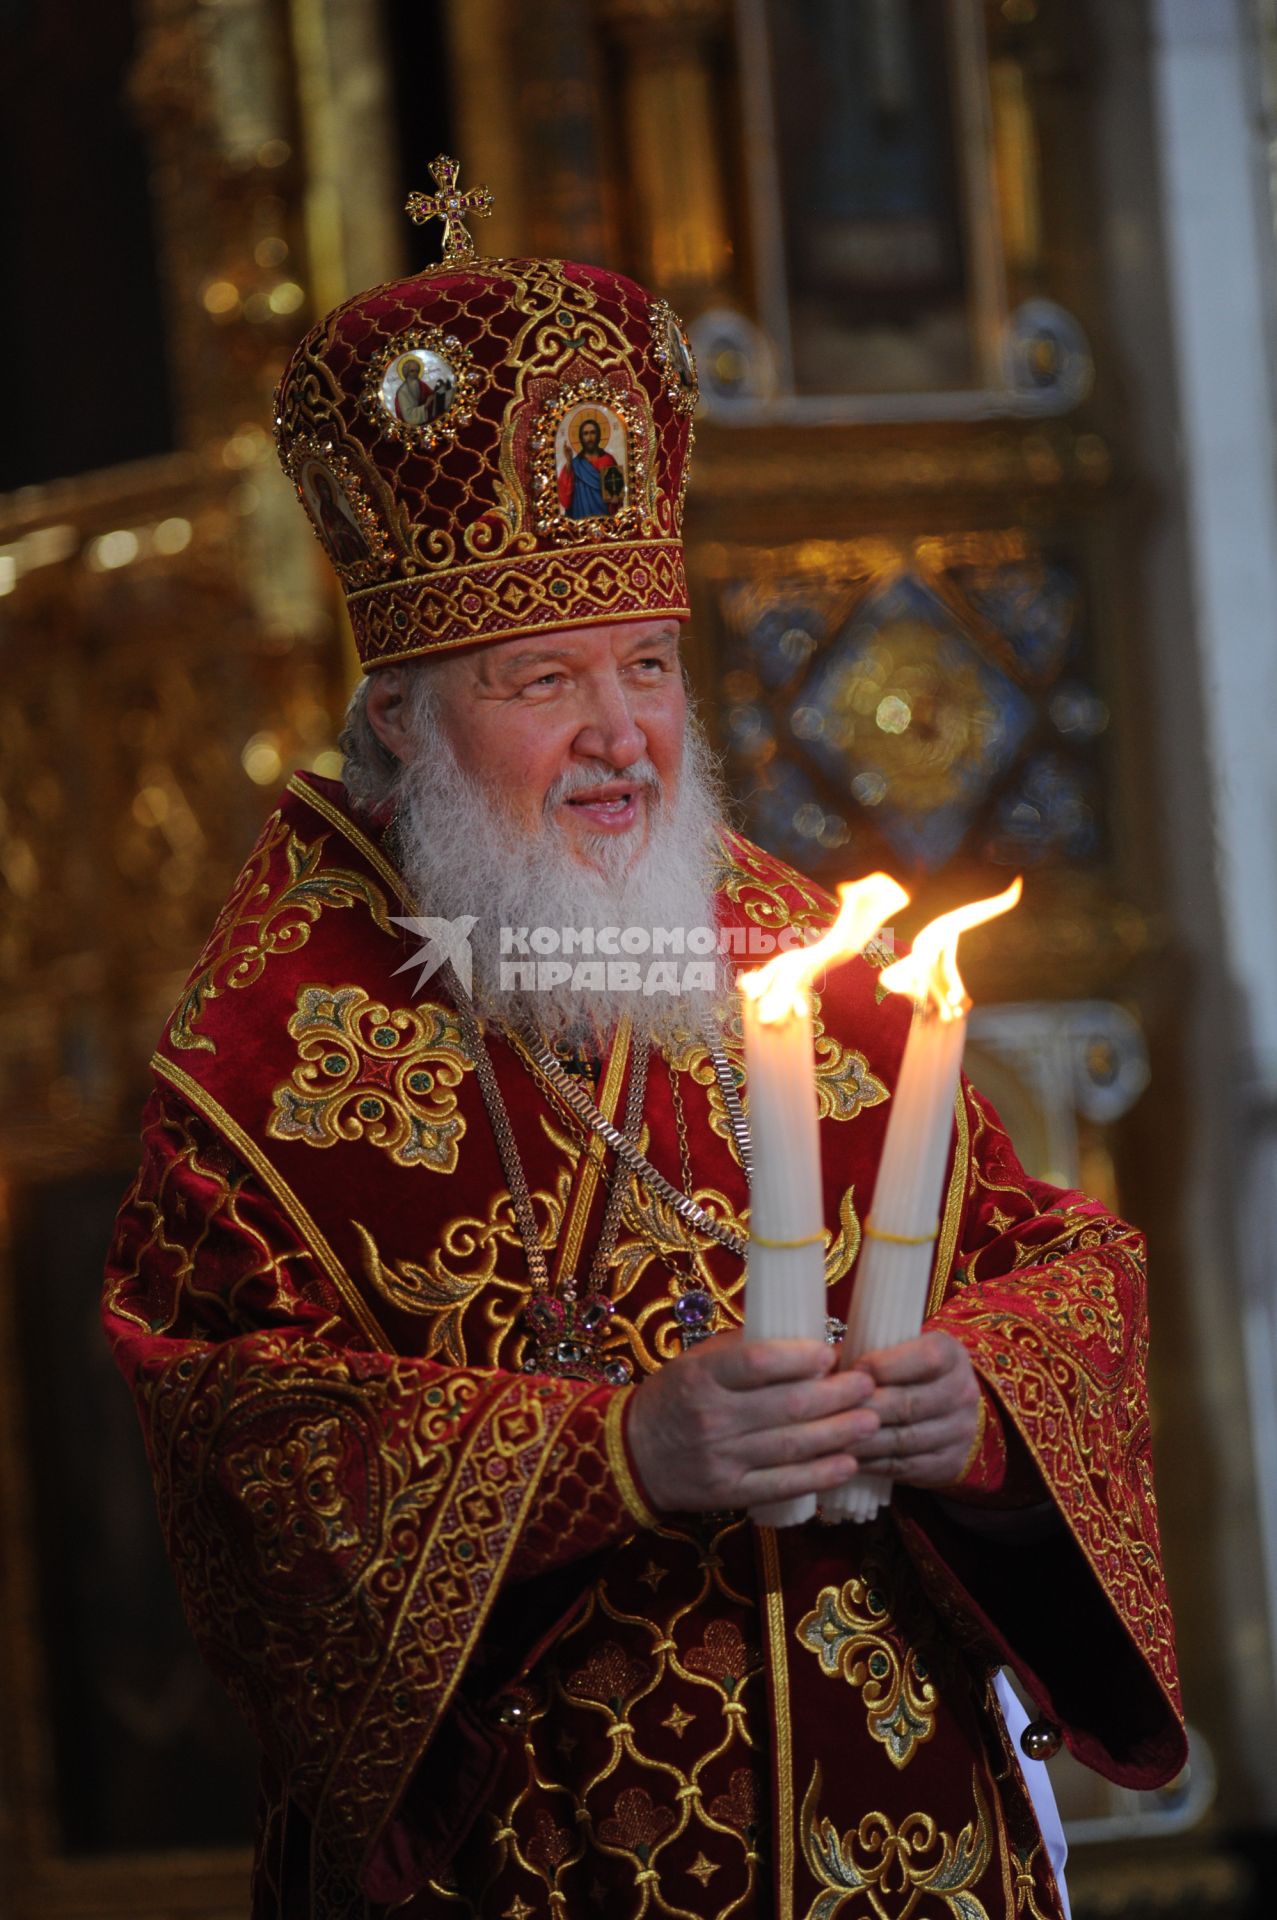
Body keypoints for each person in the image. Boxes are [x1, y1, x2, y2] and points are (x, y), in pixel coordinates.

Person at [104, 166, 1185, 1920]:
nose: (620, 740)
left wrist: (977, 1403)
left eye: (648, 669)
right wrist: (609, 1460)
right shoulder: (262, 1076)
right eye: (542, 683)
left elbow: (1051, 1265)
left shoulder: (814, 964)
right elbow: (252, 1488)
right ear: (402, 721)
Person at [558, 413, 625, 517]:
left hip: (604, 519)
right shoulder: (575, 464)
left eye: (593, 433)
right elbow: (565, 498)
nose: (589, 437)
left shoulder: (608, 460)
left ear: (598, 435)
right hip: (579, 518)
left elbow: (617, 491)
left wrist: (616, 499)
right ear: (581, 437)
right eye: (585, 434)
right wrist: (569, 461)